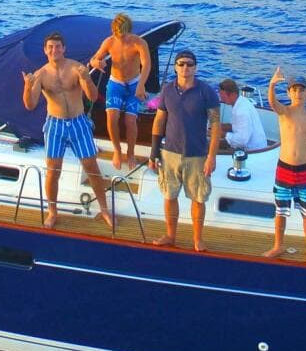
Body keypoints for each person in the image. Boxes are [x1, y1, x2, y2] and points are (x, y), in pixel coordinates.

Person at [21, 31, 114, 231]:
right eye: (51, 47)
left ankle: (105, 209)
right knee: (53, 171)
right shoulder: (40, 75)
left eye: (58, 46)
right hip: (55, 124)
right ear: (45, 50)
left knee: (92, 167)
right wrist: (27, 87)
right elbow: (30, 105)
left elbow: (93, 95)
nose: (55, 50)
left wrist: (86, 79)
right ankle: (52, 212)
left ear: (64, 48)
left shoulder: (76, 68)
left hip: (79, 122)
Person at [147, 49, 222, 251]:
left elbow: (216, 125)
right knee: (169, 196)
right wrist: (154, 152)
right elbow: (159, 120)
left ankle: (198, 239)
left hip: (197, 155)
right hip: (170, 152)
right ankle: (170, 235)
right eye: (181, 64)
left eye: (189, 64)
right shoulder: (168, 91)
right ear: (175, 67)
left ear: (195, 67)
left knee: (198, 198)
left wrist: (211, 157)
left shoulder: (206, 92)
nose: (185, 67)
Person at [262, 68, 306, 264]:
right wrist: (272, 84)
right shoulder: (284, 112)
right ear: (289, 93)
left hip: (305, 172)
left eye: (301, 90)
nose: (298, 93)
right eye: (294, 90)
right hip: (284, 170)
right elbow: (272, 102)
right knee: (280, 211)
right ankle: (277, 245)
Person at [86, 13, 151, 170]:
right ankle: (117, 150)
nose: (121, 38)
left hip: (134, 83)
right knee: (112, 116)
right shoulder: (109, 42)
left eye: (124, 35)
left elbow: (147, 64)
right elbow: (93, 60)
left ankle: (130, 152)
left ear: (129, 31)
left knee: (130, 120)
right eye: (118, 35)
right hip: (116, 83)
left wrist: (141, 85)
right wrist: (97, 62)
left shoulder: (139, 43)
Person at [218, 78, 267, 152]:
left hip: (253, 151)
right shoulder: (242, 102)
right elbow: (239, 127)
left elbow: (241, 141)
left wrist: (222, 134)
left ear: (233, 95)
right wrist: (220, 126)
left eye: (223, 96)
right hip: (250, 144)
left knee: (211, 146)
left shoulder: (242, 111)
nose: (221, 99)